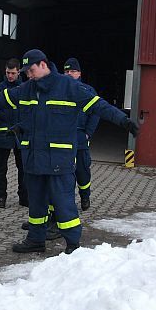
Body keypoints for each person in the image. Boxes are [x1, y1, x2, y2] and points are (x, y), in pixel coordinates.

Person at [0, 49, 139, 254]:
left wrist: (124, 121)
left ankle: (73, 245)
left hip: (59, 159)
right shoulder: (26, 89)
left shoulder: (69, 87)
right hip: (33, 158)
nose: (29, 75)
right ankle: (36, 240)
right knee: (37, 203)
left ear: (43, 65)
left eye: (31, 70)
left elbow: (100, 107)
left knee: (63, 202)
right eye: (25, 72)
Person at [0, 58, 28, 208]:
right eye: (8, 73)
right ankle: (1, 197)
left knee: (24, 168)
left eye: (13, 73)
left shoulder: (25, 88)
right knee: (1, 168)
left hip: (21, 136)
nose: (10, 76)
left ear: (19, 72)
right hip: (3, 136)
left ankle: (24, 197)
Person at [63, 57, 99, 211]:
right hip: (63, 138)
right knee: (64, 171)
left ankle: (85, 196)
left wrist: (88, 133)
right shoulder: (59, 91)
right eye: (66, 71)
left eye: (73, 71)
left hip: (80, 136)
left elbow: (96, 113)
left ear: (79, 73)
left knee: (82, 171)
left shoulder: (88, 91)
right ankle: (67, 201)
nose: (69, 74)